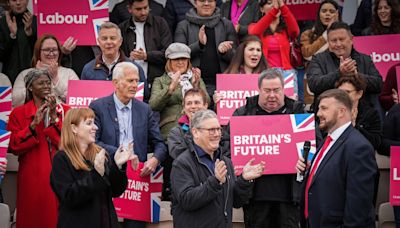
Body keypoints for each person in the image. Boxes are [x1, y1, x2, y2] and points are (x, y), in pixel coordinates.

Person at [222, 68, 305, 228]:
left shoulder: (297, 112)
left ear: (283, 89)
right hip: (255, 199)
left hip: (289, 199)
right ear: (259, 90)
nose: (272, 95)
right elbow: (227, 150)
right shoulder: (243, 114)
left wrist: (306, 160)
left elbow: (313, 146)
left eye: (276, 90)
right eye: (267, 90)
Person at [89, 61, 167, 228]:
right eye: (130, 81)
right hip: (107, 174)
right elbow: (93, 142)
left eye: (137, 81)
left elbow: (159, 143)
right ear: (115, 83)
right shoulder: (98, 107)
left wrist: (155, 161)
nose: (135, 85)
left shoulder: (145, 109)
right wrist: (121, 153)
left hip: (138, 180)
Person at [296, 89, 377, 228]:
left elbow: (358, 209)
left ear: (341, 112)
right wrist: (310, 172)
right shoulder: (328, 141)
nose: (318, 113)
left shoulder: (358, 147)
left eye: (324, 108)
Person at [170, 109, 265, 228]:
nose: (216, 134)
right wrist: (215, 182)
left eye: (218, 129)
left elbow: (236, 201)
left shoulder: (226, 162)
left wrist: (244, 180)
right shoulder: (182, 164)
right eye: (211, 130)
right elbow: (187, 200)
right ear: (195, 132)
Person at [50, 108, 139, 228]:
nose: (95, 127)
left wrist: (118, 166)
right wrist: (96, 174)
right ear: (74, 128)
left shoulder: (101, 154)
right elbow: (69, 196)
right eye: (89, 123)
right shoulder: (61, 158)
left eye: (94, 123)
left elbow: (116, 191)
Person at [6, 69, 70, 228]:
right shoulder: (18, 113)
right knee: (32, 216)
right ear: (30, 88)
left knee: (55, 218)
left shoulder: (64, 111)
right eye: (41, 83)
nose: (46, 86)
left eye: (48, 82)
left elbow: (66, 144)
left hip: (58, 171)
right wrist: (33, 125)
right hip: (31, 173)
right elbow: (13, 146)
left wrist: (54, 117)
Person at [306, 21, 383, 108]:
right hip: (329, 114)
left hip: (362, 114)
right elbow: (314, 85)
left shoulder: (365, 59)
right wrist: (339, 73)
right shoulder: (318, 59)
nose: (338, 44)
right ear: (328, 42)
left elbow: (378, 84)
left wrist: (356, 75)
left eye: (342, 39)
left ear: (351, 39)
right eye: (334, 40)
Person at [174, 0, 237, 99]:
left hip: (223, 84)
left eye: (210, 1)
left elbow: (236, 58)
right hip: (193, 84)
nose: (206, 3)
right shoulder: (183, 25)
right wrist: (199, 45)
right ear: (195, 2)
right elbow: (178, 55)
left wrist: (224, 51)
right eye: (202, 0)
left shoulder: (226, 25)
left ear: (216, 2)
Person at [149, 42, 209, 140]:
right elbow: (153, 105)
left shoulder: (195, 78)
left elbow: (207, 102)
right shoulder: (160, 81)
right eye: (176, 59)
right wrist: (170, 88)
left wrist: (196, 86)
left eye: (184, 59)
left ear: (188, 61)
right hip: (171, 130)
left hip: (197, 126)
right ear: (169, 62)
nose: (180, 62)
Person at [81, 22, 149, 100]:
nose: (109, 42)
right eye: (104, 38)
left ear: (120, 41)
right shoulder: (88, 69)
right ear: (98, 42)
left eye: (113, 38)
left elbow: (145, 99)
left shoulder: (135, 68)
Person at [248, 0, 300, 97]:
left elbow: (295, 31)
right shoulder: (254, 26)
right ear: (261, 9)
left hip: (287, 74)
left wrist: (283, 7)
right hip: (265, 73)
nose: (274, 6)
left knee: (290, 106)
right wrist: (275, 10)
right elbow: (253, 33)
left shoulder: (286, 29)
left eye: (276, 3)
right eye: (269, 3)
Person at [12, 34, 79, 108]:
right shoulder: (25, 74)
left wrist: (55, 79)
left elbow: (77, 100)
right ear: (38, 52)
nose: (51, 53)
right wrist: (36, 77)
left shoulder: (69, 73)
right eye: (47, 50)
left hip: (62, 116)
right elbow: (15, 101)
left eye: (54, 49)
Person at [119, 0, 172, 85]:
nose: (143, 12)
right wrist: (128, 59)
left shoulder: (160, 23)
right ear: (129, 9)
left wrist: (146, 56)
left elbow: (169, 53)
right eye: (138, 9)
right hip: (130, 81)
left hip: (157, 81)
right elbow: (118, 56)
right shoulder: (122, 28)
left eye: (145, 7)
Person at [335, 74, 382, 150]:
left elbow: (375, 143)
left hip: (360, 156)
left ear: (359, 94)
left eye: (347, 92)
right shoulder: (331, 111)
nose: (342, 96)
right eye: (340, 92)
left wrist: (355, 128)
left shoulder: (371, 114)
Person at [0, 0, 36, 84]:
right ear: (8, 2)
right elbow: (1, 56)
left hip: (34, 78)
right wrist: (12, 36)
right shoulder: (3, 23)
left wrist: (30, 35)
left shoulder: (36, 21)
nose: (18, 3)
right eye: (14, 0)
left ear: (27, 1)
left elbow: (41, 53)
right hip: (9, 79)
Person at [168, 88, 209, 159]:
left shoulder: (215, 129)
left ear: (205, 106)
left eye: (197, 102)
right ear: (184, 107)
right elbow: (178, 155)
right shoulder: (176, 132)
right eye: (189, 103)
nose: (193, 106)